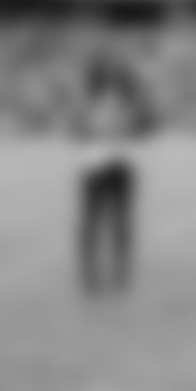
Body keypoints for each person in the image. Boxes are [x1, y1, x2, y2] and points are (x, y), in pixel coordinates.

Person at [76, 59, 153, 298]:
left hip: (121, 166)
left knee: (121, 223)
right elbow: (79, 130)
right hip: (95, 166)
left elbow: (144, 126)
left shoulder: (129, 105)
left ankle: (120, 271)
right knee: (92, 223)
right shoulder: (90, 104)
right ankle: (91, 273)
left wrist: (126, 118)